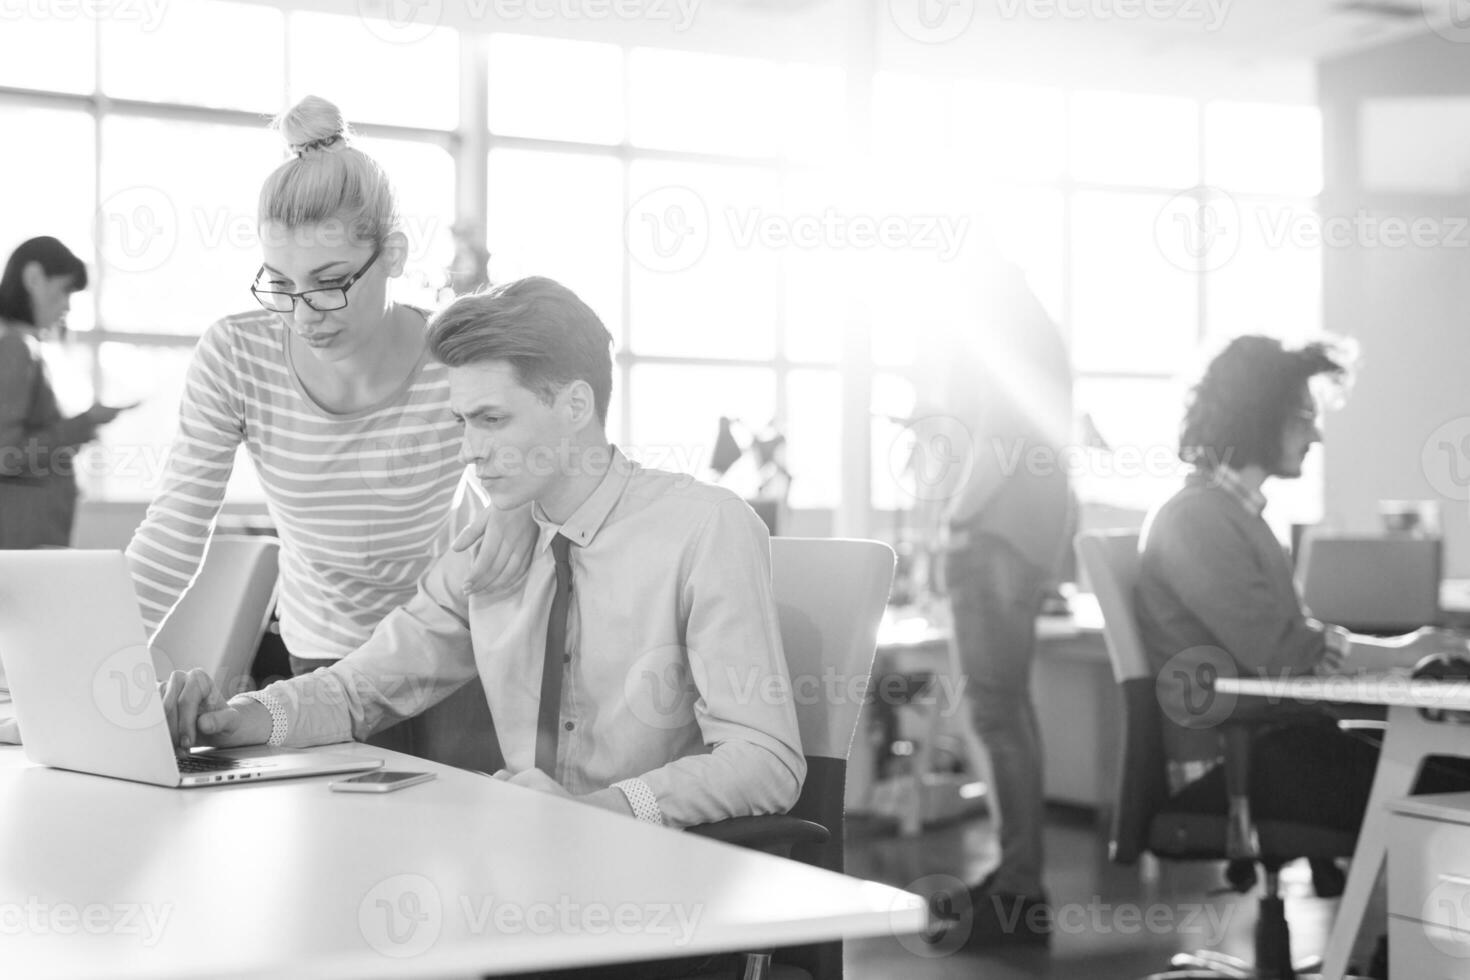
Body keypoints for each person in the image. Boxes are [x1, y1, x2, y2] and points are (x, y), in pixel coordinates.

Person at [159, 276, 804, 832]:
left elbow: (766, 761)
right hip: (521, 878)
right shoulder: (489, 553)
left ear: (576, 405)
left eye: (491, 420)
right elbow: (360, 691)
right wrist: (237, 719)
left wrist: (607, 810)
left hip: (662, 890)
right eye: (460, 422)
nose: (468, 450)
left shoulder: (705, 530)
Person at [125, 96, 533, 681]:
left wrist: (518, 511)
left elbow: (538, 477)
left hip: (456, 641)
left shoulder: (456, 357)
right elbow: (174, 531)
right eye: (281, 284)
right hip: (320, 649)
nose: (303, 313)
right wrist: (88, 675)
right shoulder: (237, 355)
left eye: (330, 282)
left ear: (391, 255)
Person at [1135, 335, 1470, 971]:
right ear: (1261, 414)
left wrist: (1401, 659)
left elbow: (1288, 651)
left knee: (1441, 769)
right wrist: (1402, 652)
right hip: (1237, 763)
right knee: (1447, 781)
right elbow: (1284, 655)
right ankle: (1407, 960)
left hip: (1268, 742)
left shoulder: (1232, 516)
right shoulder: (1197, 520)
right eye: (1303, 417)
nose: (1314, 436)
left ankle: (1403, 956)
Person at [921, 258, 1073, 947]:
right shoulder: (1037, 331)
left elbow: (999, 440)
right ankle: (1020, 879)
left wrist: (953, 519)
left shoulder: (996, 331)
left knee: (996, 714)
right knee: (1012, 713)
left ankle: (1019, 890)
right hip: (1030, 537)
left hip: (992, 539)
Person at [0, 236, 130, 549]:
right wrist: (83, 424)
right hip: (22, 538)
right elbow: (6, 454)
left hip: (31, 534)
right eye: (64, 290)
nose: (67, 305)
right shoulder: (16, 349)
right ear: (33, 278)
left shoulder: (25, 347)